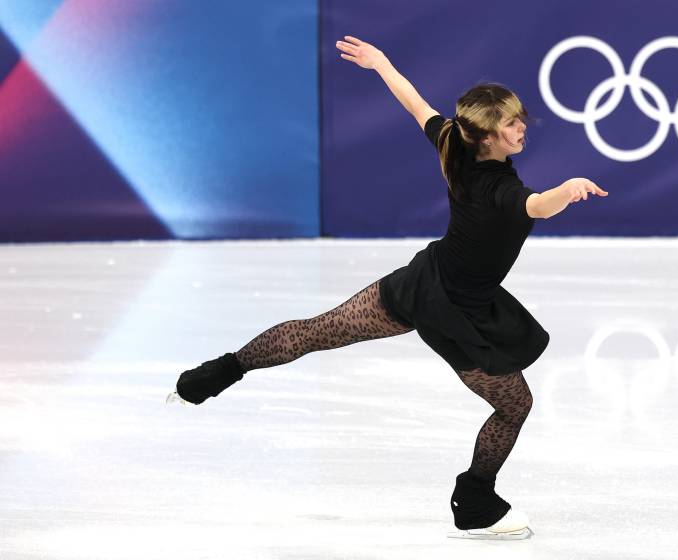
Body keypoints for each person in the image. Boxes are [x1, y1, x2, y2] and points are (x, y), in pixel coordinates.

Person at [171, 35, 608, 539]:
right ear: (485, 137)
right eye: (510, 123)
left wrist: (381, 64)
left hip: (422, 282)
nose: (520, 126)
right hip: (457, 312)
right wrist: (567, 190)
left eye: (518, 116)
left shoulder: (453, 143)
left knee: (317, 331)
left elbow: (417, 105)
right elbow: (536, 206)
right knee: (515, 405)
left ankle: (216, 374)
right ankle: (473, 501)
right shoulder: (500, 189)